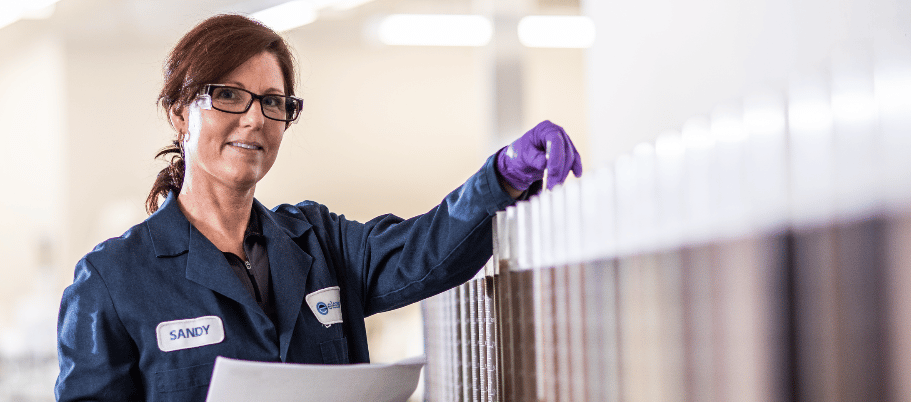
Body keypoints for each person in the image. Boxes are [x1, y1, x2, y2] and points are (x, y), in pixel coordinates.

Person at [55, 14, 582, 401]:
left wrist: (501, 179)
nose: (254, 118)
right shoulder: (111, 281)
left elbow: (423, 251)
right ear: (179, 114)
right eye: (229, 96)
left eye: (273, 101)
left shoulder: (318, 241)